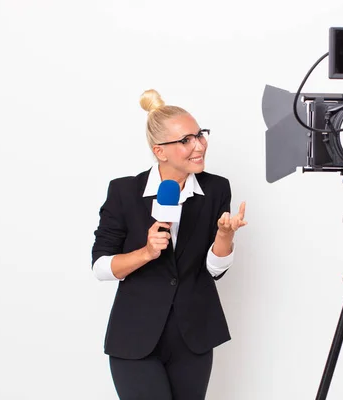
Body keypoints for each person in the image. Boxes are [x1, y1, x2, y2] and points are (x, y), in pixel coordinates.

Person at [91, 89, 247, 399]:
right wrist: (146, 252)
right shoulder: (124, 192)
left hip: (194, 335)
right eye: (186, 140)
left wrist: (225, 238)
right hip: (135, 336)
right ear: (160, 151)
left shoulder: (216, 188)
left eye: (200, 135)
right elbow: (101, 267)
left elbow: (213, 270)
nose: (199, 145)